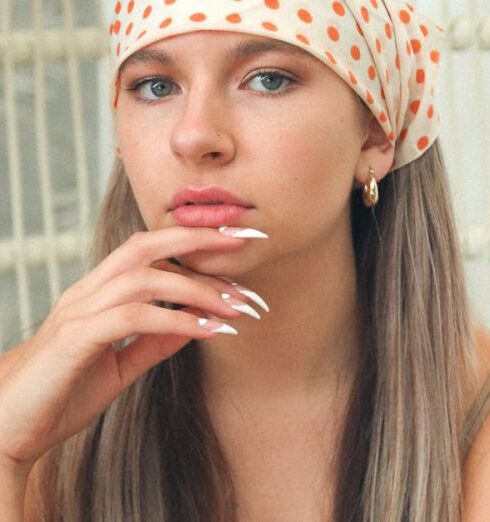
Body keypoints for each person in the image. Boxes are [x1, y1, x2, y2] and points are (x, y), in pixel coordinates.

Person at [1, 0, 490, 520]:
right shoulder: (27, 409)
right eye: (157, 86)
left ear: (375, 134)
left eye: (268, 80)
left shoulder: (475, 422)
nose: (194, 137)